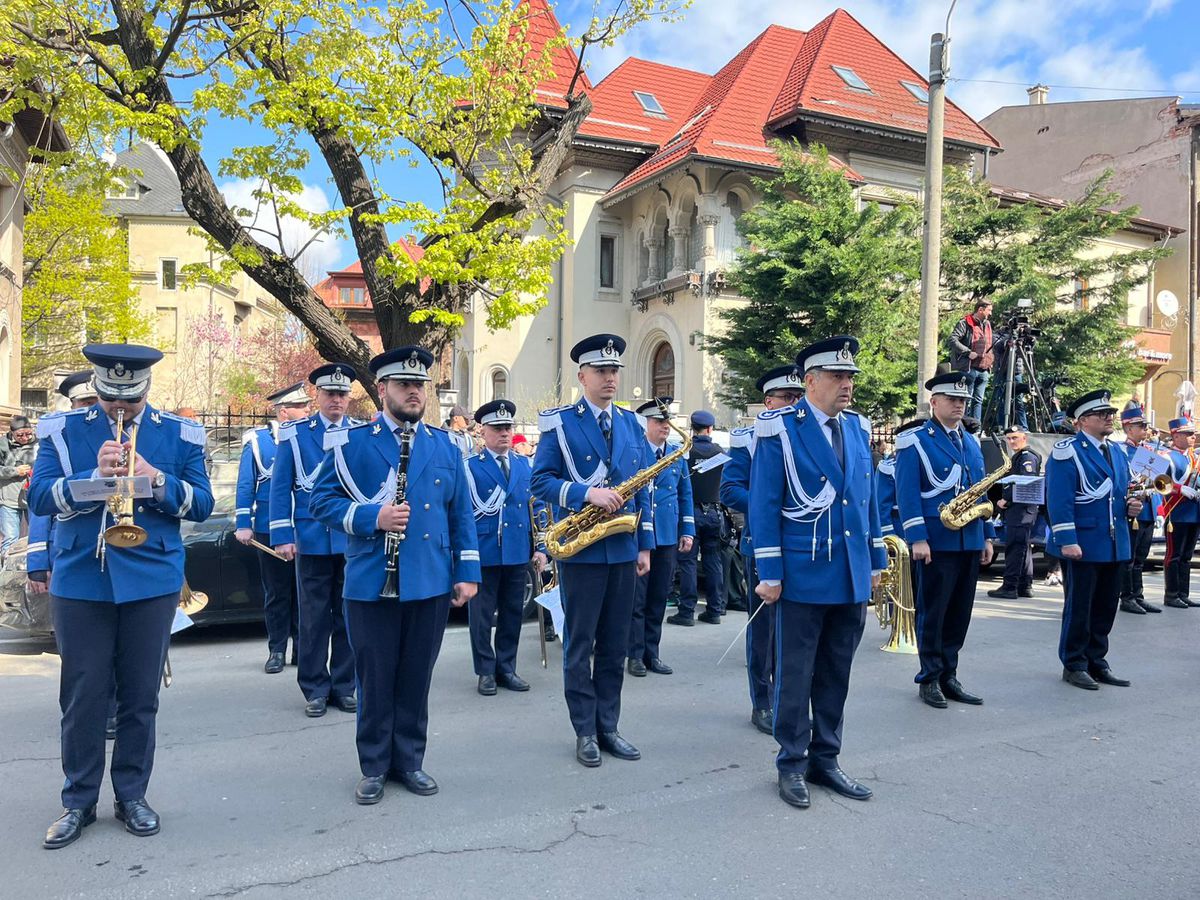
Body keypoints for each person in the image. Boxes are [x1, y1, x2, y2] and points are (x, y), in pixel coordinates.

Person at [30, 343, 213, 849]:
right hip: (82, 579)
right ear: (98, 388)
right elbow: (39, 496)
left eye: (128, 401)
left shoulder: (180, 433)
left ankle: (132, 794)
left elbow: (202, 503)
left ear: (146, 389)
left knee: (140, 696)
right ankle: (78, 800)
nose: (118, 409)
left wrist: (155, 478)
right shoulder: (63, 432)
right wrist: (92, 478)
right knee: (82, 695)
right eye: (110, 398)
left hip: (152, 580)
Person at [310, 346, 480, 805]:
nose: (413, 392)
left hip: (429, 579)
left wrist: (467, 572)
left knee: (415, 677)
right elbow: (320, 503)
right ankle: (374, 766)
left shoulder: (445, 444)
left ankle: (409, 761)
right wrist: (372, 518)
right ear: (382, 389)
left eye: (419, 385)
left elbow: (461, 513)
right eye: (404, 385)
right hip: (370, 582)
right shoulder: (353, 444)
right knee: (375, 677)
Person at [750, 336, 886, 809]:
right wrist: (769, 571)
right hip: (803, 570)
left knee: (836, 672)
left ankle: (826, 759)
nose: (847, 385)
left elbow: (865, 502)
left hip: (849, 571)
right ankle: (791, 761)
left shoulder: (856, 427)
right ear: (810, 381)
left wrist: (875, 562)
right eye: (837, 377)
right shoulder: (780, 428)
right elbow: (764, 505)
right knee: (796, 673)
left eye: (850, 377)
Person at [530, 333, 653, 768]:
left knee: (615, 644)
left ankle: (609, 726)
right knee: (580, 644)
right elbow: (540, 480)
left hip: (621, 548)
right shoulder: (559, 423)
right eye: (601, 370)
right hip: (582, 553)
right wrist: (586, 494)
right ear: (582, 376)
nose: (610, 377)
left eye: (615, 370)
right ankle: (584, 730)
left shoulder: (632, 424)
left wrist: (644, 544)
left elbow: (642, 489)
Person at [895, 373, 996, 709]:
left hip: (968, 539)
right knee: (933, 612)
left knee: (958, 613)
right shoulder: (915, 440)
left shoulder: (970, 440)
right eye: (951, 400)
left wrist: (987, 536)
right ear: (934, 402)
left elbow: (980, 491)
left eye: (963, 400)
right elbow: (907, 492)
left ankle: (949, 674)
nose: (958, 405)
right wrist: (917, 538)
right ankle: (929, 677)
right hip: (935, 541)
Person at [270, 363, 360, 717]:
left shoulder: (359, 433)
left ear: (349, 399)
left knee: (348, 613)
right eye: (329, 393)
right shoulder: (295, 434)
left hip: (350, 537)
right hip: (309, 538)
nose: (336, 400)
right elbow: (281, 489)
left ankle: (344, 684)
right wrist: (282, 535)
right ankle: (314, 688)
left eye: (342, 394)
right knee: (312, 617)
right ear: (317, 396)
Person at [720, 364, 803, 734]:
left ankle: (789, 700)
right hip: (761, 545)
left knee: (798, 631)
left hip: (799, 545)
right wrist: (767, 502)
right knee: (764, 631)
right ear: (768, 402)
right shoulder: (747, 438)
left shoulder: (805, 435)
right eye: (787, 397)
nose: (794, 403)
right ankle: (762, 702)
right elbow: (729, 490)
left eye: (798, 396)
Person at [1045, 390, 1139, 689]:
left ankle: (1097, 660)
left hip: (1113, 542)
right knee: (1080, 607)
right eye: (1102, 415)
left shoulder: (1118, 452)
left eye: (1110, 414)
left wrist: (1131, 506)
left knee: (1105, 606)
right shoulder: (1067, 451)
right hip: (1083, 542)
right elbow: (1058, 501)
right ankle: (1074, 663)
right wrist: (1066, 540)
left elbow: (1118, 495)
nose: (1109, 418)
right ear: (1083, 421)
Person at [464, 399, 547, 695]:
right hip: (484, 550)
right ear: (483, 432)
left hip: (516, 550)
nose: (504, 433)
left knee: (513, 613)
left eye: (508, 427)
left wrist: (541, 548)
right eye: (497, 428)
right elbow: (462, 514)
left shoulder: (526, 465)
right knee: (482, 617)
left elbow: (538, 510)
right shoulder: (471, 467)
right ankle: (485, 671)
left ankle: (507, 667)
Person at [235, 382, 309, 673]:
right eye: (301, 407)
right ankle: (277, 649)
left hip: (304, 527)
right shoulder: (258, 441)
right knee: (277, 592)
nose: (307, 411)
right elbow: (245, 484)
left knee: (305, 593)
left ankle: (302, 649)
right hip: (268, 528)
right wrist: (243, 524)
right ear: (283, 411)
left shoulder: (311, 437)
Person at [627, 398, 694, 678]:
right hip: (640, 533)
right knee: (637, 599)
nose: (665, 427)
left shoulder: (677, 453)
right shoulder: (633, 451)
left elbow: (685, 493)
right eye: (659, 422)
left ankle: (651, 653)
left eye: (667, 422)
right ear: (646, 424)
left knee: (658, 597)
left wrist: (688, 530)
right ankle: (634, 655)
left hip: (667, 533)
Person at [670, 410, 726, 626]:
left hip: (691, 512)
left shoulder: (686, 452)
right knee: (713, 562)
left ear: (692, 428)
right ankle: (715, 609)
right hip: (714, 512)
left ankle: (686, 612)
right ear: (710, 429)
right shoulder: (720, 451)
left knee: (688, 562)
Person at [987, 424, 1041, 600]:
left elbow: (1027, 480)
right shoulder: (1018, 457)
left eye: (1015, 438)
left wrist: (1006, 498)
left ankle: (1010, 586)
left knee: (1015, 548)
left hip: (1021, 508)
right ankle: (1025, 586)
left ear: (1024, 438)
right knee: (1022, 546)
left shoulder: (1027, 457)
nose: (1011, 442)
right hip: (1021, 509)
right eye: (1009, 439)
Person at [1115, 407, 1160, 614]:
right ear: (1128, 427)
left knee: (1141, 557)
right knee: (1129, 558)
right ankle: (1127, 597)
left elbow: (1160, 479)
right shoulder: (1121, 451)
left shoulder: (1148, 451)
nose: (1145, 429)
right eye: (1140, 426)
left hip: (1148, 508)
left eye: (1145, 426)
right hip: (1133, 510)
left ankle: (1138, 595)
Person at [1160, 418, 1200, 609]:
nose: (1193, 437)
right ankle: (1171, 594)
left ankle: (1183, 594)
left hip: (1194, 511)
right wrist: (1178, 489)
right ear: (1176, 435)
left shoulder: (1194, 457)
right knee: (1173, 555)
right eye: (1189, 434)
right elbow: (1156, 481)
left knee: (1186, 556)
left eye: (1193, 434)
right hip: (1175, 512)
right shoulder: (1166, 456)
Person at [948, 300, 994, 422]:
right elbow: (952, 340)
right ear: (980, 309)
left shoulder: (987, 324)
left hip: (984, 368)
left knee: (978, 400)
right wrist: (968, 352)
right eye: (989, 310)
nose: (990, 313)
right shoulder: (965, 323)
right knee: (966, 399)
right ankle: (963, 426)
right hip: (969, 368)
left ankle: (976, 427)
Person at [0, 415, 37, 550]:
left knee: (35, 536)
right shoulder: (2, 444)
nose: (25, 438)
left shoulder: (40, 442)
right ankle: (6, 570)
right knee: (10, 539)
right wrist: (14, 471)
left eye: (28, 434)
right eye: (20, 435)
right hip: (9, 499)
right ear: (11, 432)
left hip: (33, 497)